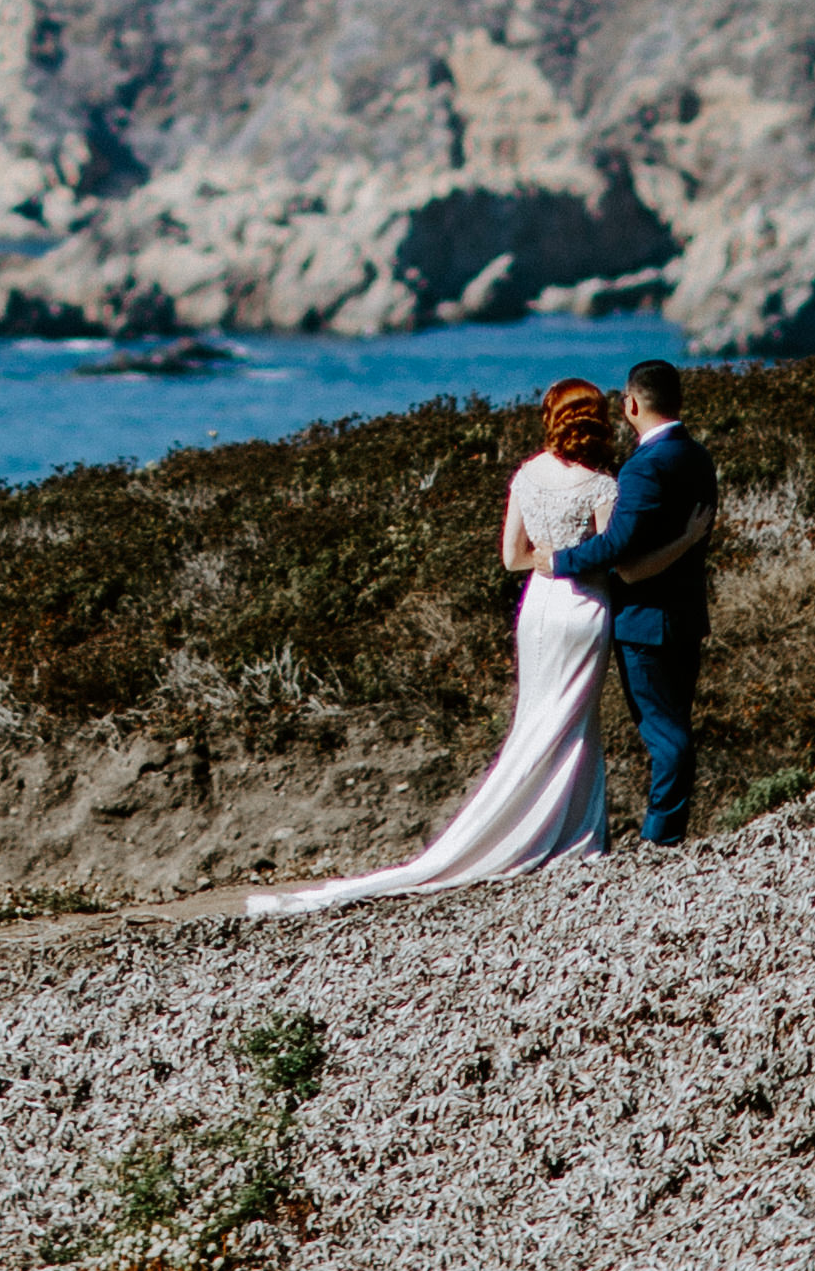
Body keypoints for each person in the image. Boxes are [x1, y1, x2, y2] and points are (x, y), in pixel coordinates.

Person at [246, 378, 625, 916]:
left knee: (534, 718)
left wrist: (547, 557)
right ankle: (573, 834)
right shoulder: (603, 486)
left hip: (539, 606)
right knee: (574, 724)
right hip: (583, 606)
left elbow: (511, 558)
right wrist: (572, 556)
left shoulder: (527, 475)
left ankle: (528, 823)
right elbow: (608, 559)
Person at [550, 356, 716, 843]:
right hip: (685, 611)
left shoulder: (646, 466)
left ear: (633, 405)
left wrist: (558, 562)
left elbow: (618, 544)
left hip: (648, 619)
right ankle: (669, 830)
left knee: (665, 734)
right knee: (674, 724)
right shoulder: (698, 455)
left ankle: (660, 837)